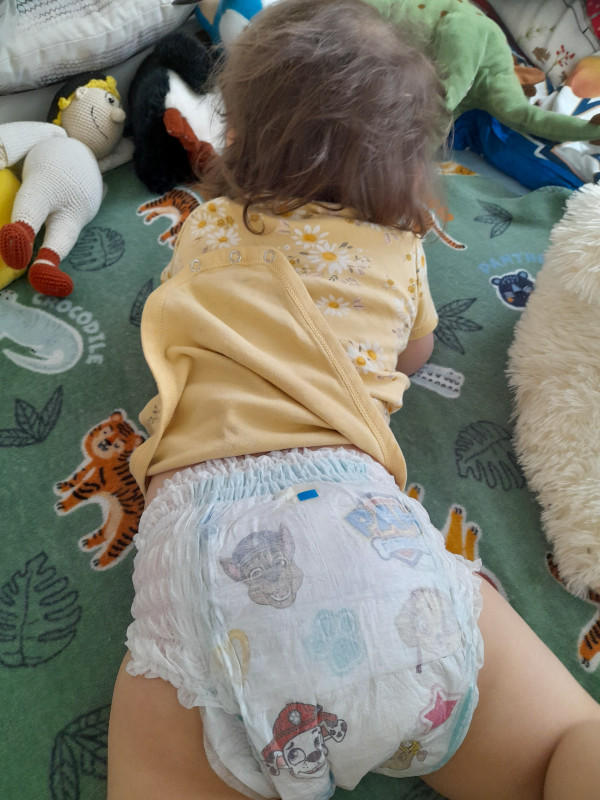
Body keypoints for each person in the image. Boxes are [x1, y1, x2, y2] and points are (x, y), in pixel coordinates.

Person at [107, 1, 600, 799]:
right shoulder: (401, 248)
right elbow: (414, 353)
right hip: (372, 543)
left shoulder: (206, 228)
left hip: (205, 548)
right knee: (565, 746)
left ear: (241, 133)